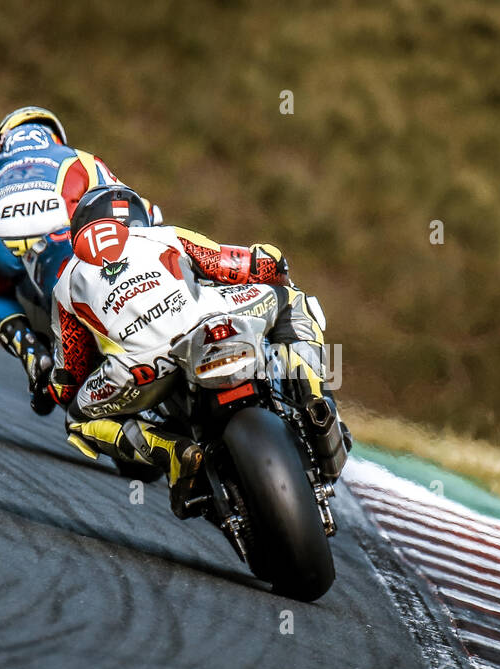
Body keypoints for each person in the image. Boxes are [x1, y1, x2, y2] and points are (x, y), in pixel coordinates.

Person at [46, 185, 336, 516]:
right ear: (138, 217)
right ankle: (314, 401)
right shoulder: (163, 236)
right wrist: (272, 261)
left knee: (79, 420)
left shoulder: (65, 283)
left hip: (142, 367)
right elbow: (241, 265)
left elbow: (71, 369)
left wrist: (57, 388)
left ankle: (172, 452)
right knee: (292, 300)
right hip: (207, 317)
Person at [0, 106, 157, 415]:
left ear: (4, 142)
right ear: (54, 135)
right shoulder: (80, 158)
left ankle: (32, 353)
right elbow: (131, 204)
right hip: (63, 241)